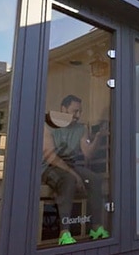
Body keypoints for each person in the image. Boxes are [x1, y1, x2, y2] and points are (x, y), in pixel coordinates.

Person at [42, 94, 109, 245]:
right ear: (63, 109)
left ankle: (96, 228)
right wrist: (74, 174)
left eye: (80, 112)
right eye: (74, 111)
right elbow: (50, 156)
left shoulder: (81, 129)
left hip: (70, 165)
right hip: (49, 166)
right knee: (69, 179)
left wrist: (97, 137)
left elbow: (88, 154)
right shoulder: (48, 125)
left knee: (95, 179)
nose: (78, 116)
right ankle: (64, 233)